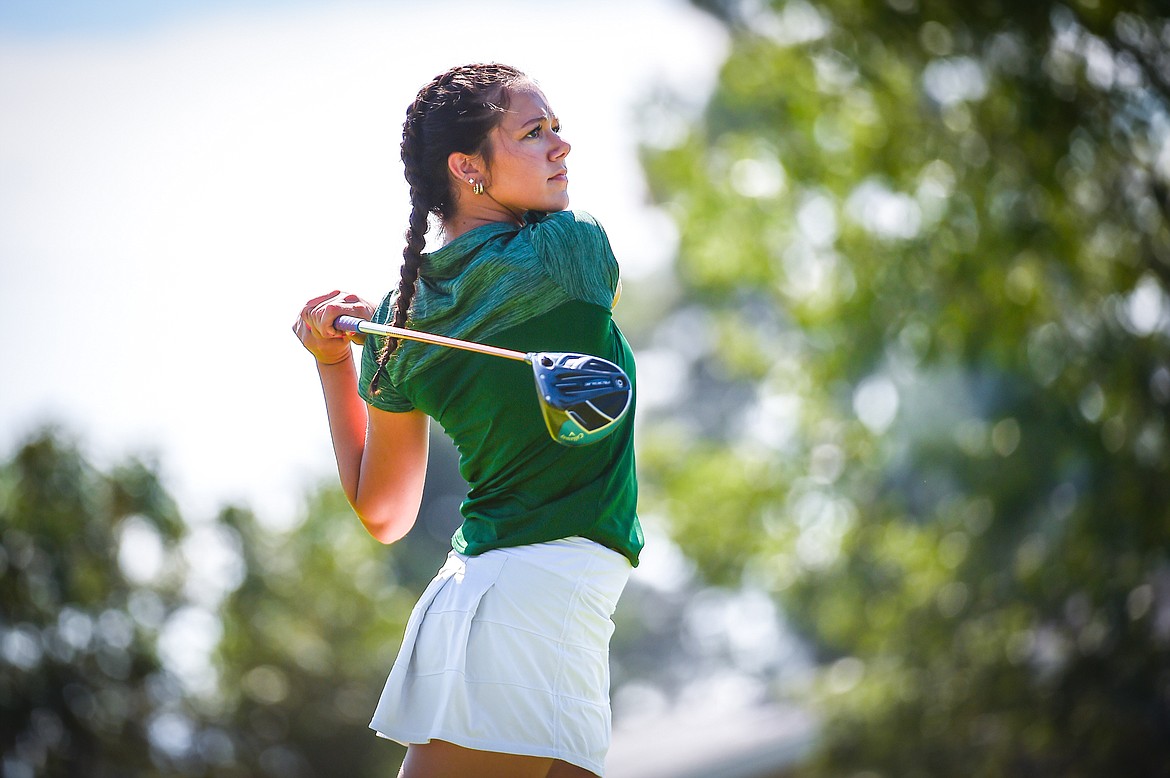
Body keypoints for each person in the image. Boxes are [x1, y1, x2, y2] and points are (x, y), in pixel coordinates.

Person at [292, 63, 642, 778]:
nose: (561, 146)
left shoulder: (399, 321)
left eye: (557, 128)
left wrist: (334, 363)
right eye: (533, 132)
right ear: (467, 168)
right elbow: (391, 517)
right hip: (525, 598)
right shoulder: (571, 251)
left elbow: (383, 511)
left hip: (520, 593)